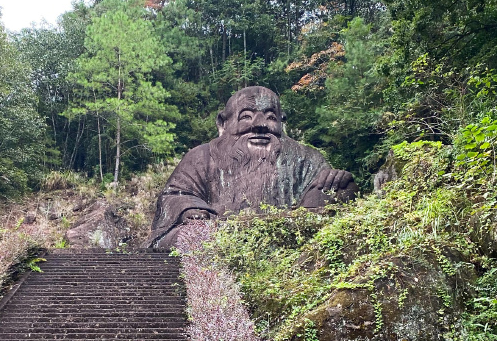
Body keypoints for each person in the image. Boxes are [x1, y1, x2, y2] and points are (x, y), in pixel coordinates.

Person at [149, 85, 356, 250]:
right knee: (189, 235)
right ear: (223, 123)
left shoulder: (306, 158)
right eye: (246, 116)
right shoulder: (202, 156)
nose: (260, 124)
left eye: (270, 117)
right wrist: (191, 208)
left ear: (282, 122)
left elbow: (327, 196)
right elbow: (174, 195)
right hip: (219, 235)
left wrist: (334, 183)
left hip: (286, 236)